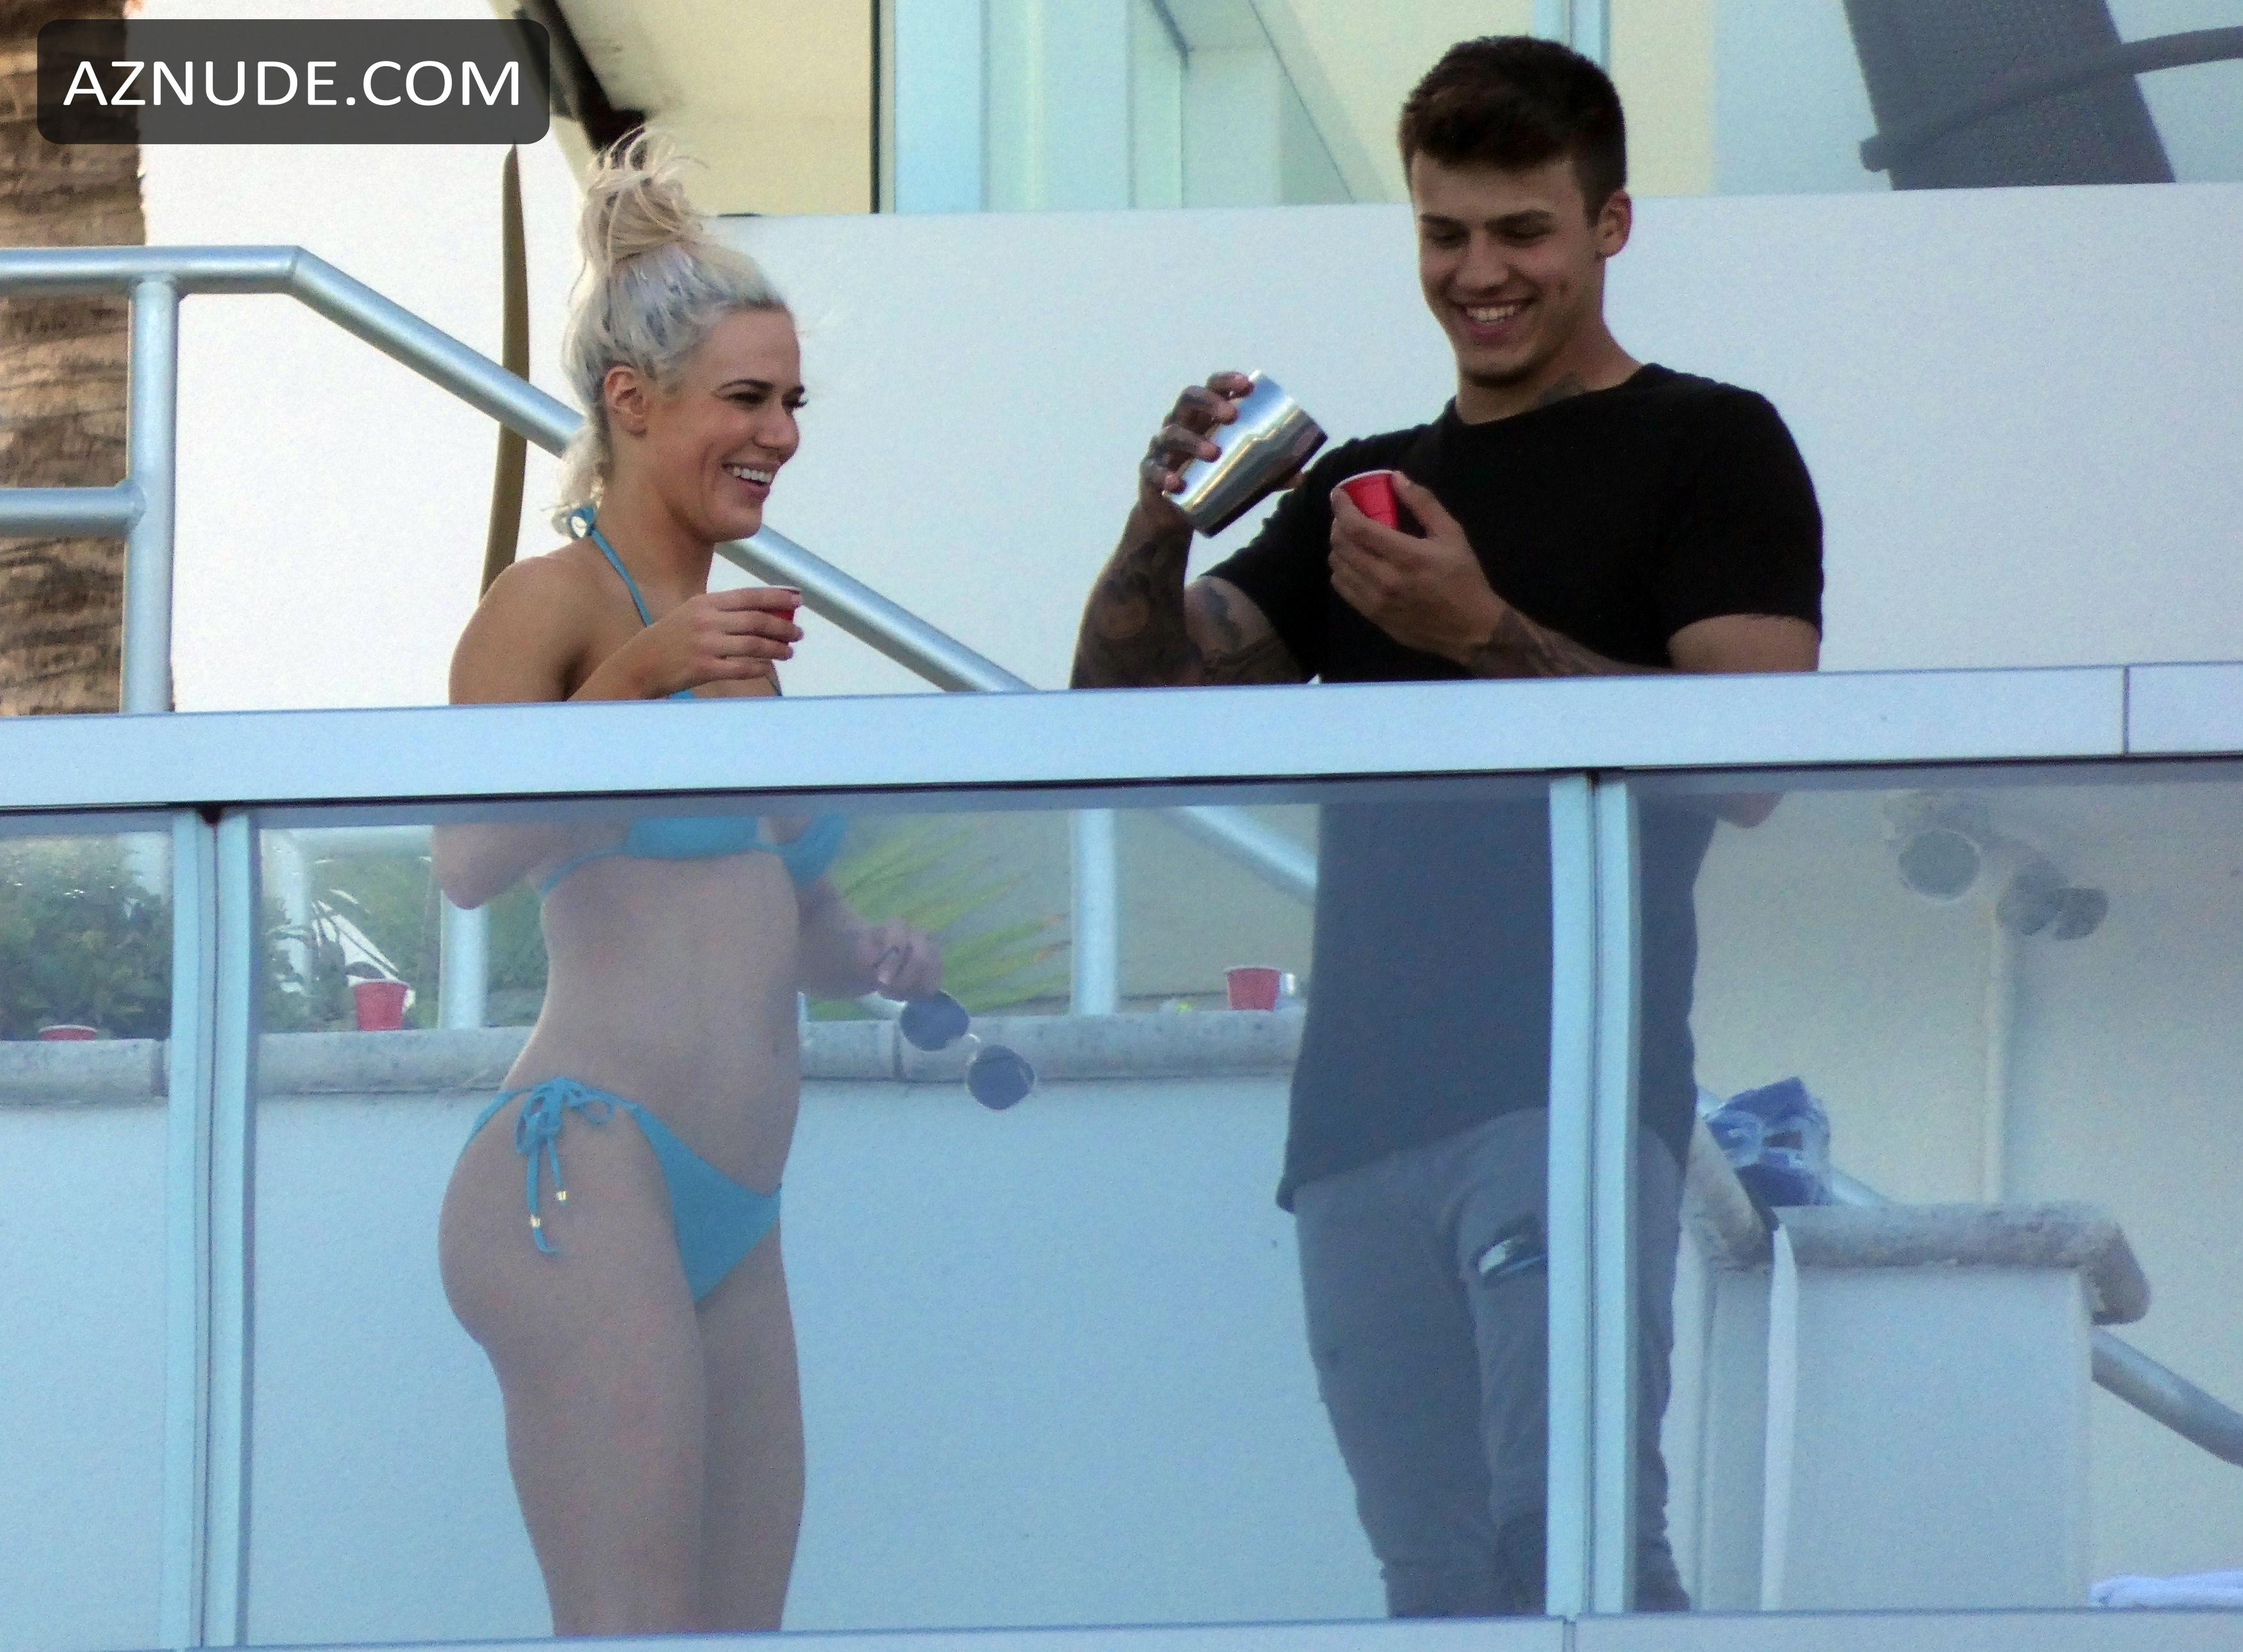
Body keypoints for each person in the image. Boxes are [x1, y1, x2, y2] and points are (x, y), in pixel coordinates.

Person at [1071, 37, 1822, 1616]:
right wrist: (1158, 517)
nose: (1478, 274)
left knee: (1579, 1551)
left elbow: (1752, 758)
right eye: (1443, 233)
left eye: (1521, 231)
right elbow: (1125, 718)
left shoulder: (1711, 443)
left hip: (1566, 1090)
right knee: (1433, 1585)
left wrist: (1481, 630)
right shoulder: (1364, 485)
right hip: (1355, 1122)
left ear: (1609, 224)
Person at [433, 137, 941, 1637]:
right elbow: (467, 862)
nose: (779, 432)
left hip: (737, 1205)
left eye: (791, 403)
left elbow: (760, 916)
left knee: (735, 1631)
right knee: (633, 1627)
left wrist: (863, 947)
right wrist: (634, 682)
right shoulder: (551, 604)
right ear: (632, 400)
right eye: (747, 398)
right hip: (583, 1165)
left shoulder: (736, 647)